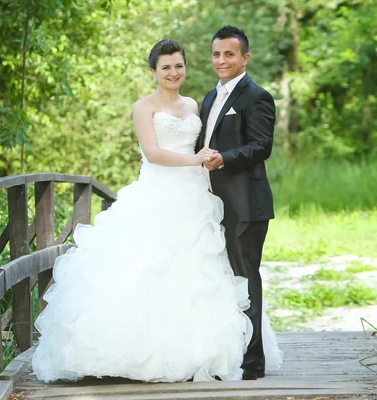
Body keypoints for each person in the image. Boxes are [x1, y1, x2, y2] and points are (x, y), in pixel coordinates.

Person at [32, 39, 281, 383]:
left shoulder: (197, 103)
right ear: (153, 71)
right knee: (146, 268)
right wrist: (195, 159)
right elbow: (152, 152)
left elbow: (213, 142)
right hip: (157, 194)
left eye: (179, 65)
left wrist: (205, 161)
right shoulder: (144, 107)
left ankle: (210, 354)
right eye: (166, 67)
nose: (174, 72)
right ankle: (133, 353)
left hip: (196, 196)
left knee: (205, 271)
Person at [197, 26, 280, 380]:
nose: (221, 61)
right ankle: (227, 353)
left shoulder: (256, 96)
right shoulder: (207, 98)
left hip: (245, 205)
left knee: (246, 280)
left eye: (229, 54)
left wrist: (225, 159)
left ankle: (253, 363)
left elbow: (262, 146)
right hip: (211, 205)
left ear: (245, 58)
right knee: (220, 280)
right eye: (216, 54)